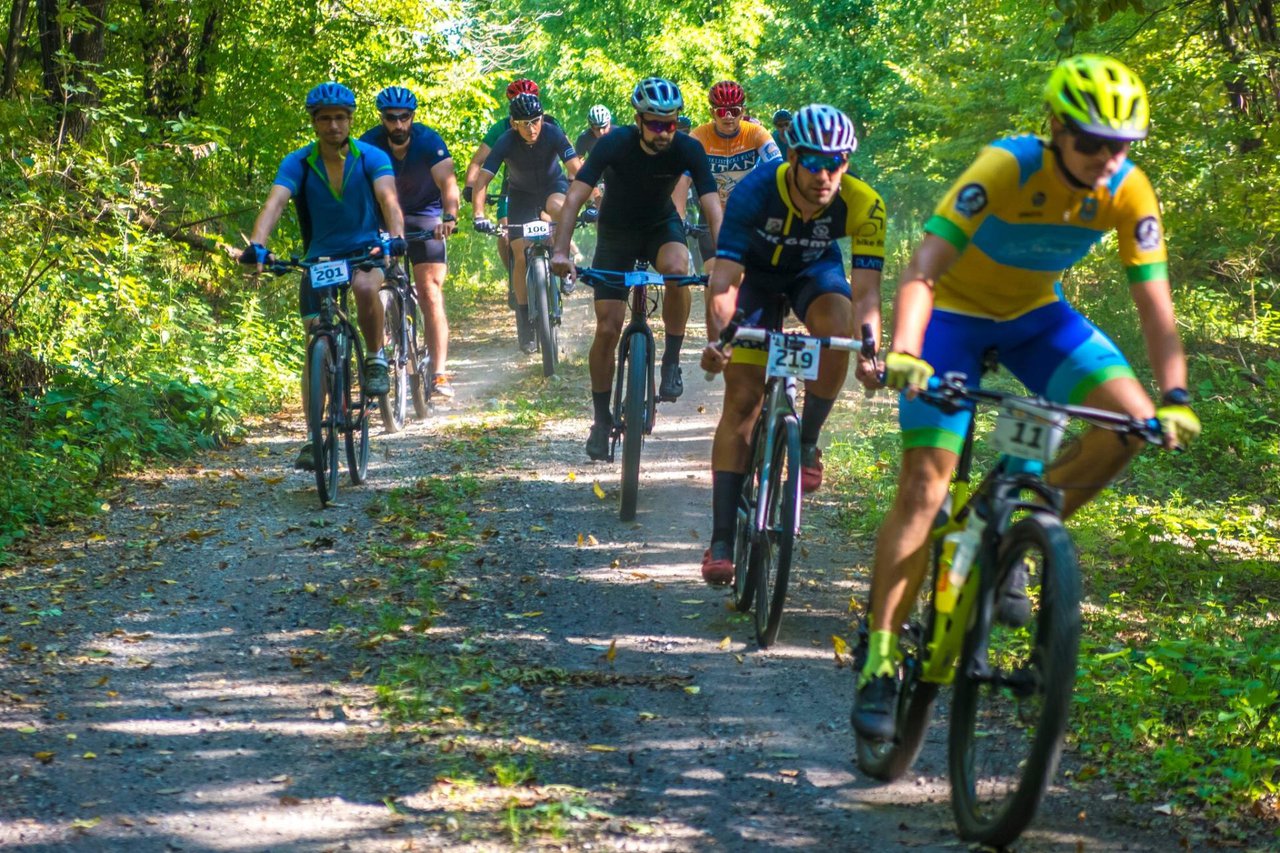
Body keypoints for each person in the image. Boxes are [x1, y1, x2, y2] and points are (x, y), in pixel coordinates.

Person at [850, 55, 1202, 741]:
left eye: (1120, 144)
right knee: (926, 488)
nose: (1106, 157)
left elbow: (1154, 304)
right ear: (1055, 129)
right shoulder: (1006, 169)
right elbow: (923, 267)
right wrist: (906, 350)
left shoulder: (1130, 191)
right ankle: (881, 655)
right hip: (950, 321)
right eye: (1091, 141)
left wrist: (1176, 394)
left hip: (1039, 319)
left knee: (1128, 425)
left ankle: (1019, 534)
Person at [699, 104, 885, 583]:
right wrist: (721, 340)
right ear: (795, 157)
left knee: (838, 322)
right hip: (755, 279)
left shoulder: (864, 204)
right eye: (815, 162)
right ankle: (721, 538)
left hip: (812, 273)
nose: (826, 175)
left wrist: (871, 350)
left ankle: (807, 442)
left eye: (837, 163)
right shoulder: (755, 192)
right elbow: (723, 283)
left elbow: (866, 294)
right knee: (742, 400)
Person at [548, 77, 723, 460]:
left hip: (661, 225)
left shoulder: (688, 149)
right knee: (608, 328)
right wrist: (560, 251)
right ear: (638, 119)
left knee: (679, 269)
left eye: (671, 123)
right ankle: (600, 419)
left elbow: (711, 204)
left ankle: (672, 360)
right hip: (617, 232)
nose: (664, 132)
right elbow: (575, 196)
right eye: (655, 123)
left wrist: (725, 257)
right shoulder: (614, 144)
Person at [240, 82, 406, 469]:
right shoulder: (298, 162)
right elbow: (275, 203)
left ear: (350, 121)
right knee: (316, 338)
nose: (334, 125)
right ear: (314, 124)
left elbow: (389, 200)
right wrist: (257, 245)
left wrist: (396, 238)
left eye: (340, 118)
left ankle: (375, 358)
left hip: (365, 250)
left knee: (367, 288)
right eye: (325, 119)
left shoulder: (371, 157)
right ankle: (316, 434)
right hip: (320, 257)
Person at [360, 85, 460, 398]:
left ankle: (439, 373)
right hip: (382, 220)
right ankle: (381, 350)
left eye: (405, 117)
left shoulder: (429, 141)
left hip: (424, 217)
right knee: (371, 286)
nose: (399, 124)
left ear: (412, 117)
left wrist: (450, 217)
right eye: (391, 118)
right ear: (382, 118)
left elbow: (449, 184)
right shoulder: (368, 144)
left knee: (429, 291)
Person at [472, 93, 582, 354]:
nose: (532, 129)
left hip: (552, 187)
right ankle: (525, 323)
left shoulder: (553, 134)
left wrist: (590, 202)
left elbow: (577, 170)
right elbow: (483, 180)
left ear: (542, 118)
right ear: (513, 124)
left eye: (536, 121)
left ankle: (564, 258)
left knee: (558, 208)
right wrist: (478, 215)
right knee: (519, 254)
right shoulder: (505, 141)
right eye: (524, 123)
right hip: (520, 194)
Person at [675, 80, 781, 277]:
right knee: (713, 273)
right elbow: (683, 179)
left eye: (734, 110)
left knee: (748, 274)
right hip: (710, 212)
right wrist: (678, 218)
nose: (729, 117)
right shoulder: (698, 137)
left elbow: (780, 170)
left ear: (743, 111)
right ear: (712, 113)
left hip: (748, 213)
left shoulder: (756, 133)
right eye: (722, 112)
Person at [462, 79, 560, 280]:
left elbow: (570, 155)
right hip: (515, 183)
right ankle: (517, 280)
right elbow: (477, 162)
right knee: (506, 232)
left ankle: (559, 261)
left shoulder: (549, 123)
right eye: (516, 100)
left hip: (548, 181)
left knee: (553, 218)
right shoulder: (501, 130)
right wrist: (470, 186)